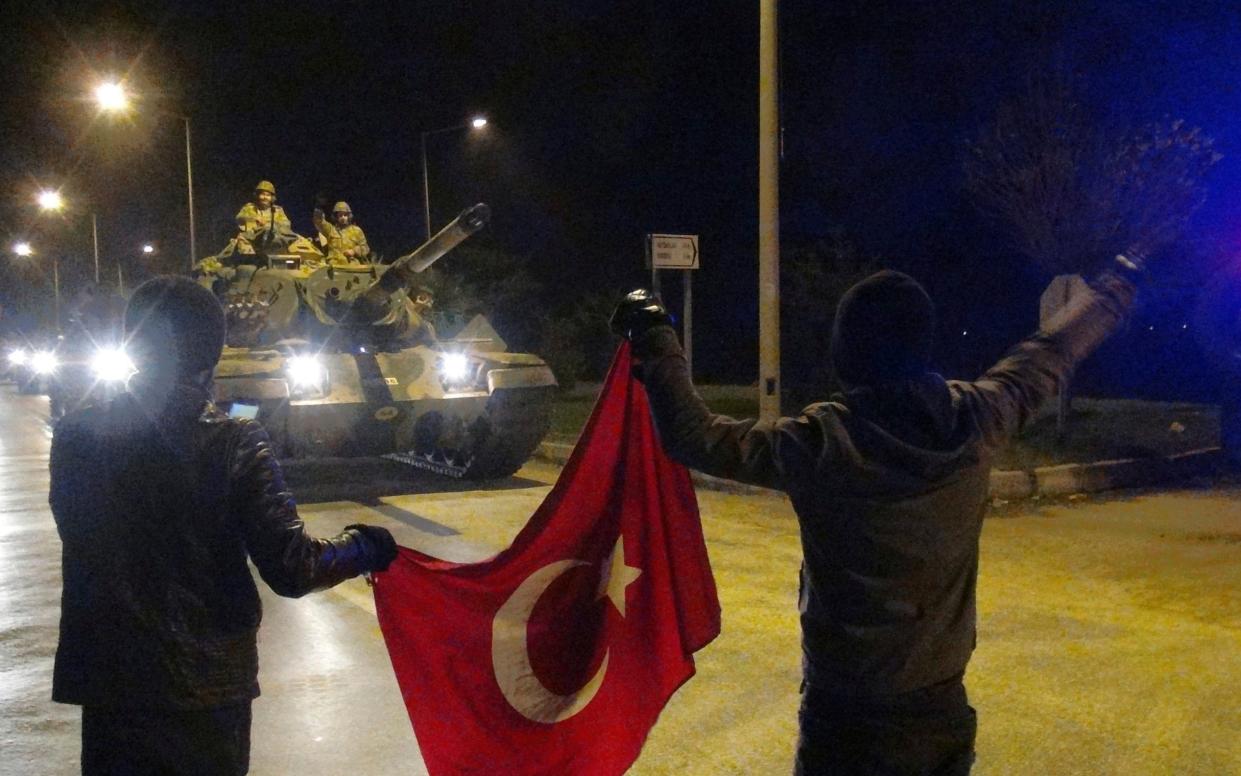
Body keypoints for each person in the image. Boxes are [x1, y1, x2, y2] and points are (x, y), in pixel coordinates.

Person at [611, 253, 1145, 775]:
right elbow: (1050, 353)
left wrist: (655, 336)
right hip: (940, 707)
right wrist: (1117, 286)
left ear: (847, 353)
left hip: (845, 718)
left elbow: (694, 436)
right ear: (922, 347)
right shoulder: (979, 418)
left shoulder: (821, 443)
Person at [50, 276, 398, 775]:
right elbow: (292, 567)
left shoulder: (76, 437)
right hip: (205, 689)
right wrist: (361, 547)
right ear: (211, 351)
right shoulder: (233, 440)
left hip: (111, 687)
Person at [234, 180, 295, 255]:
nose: (265, 197)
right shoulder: (250, 208)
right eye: (262, 194)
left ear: (272, 197)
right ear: (257, 195)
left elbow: (287, 224)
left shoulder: (277, 210)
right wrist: (255, 219)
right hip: (254, 238)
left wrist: (270, 225)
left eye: (268, 195)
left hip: (273, 240)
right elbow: (239, 218)